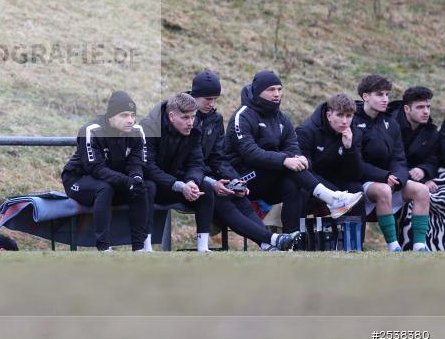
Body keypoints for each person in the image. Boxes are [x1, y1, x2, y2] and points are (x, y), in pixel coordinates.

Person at [226, 70, 362, 234]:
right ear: (258, 91)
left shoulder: (282, 118)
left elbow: (292, 147)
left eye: (279, 89)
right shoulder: (242, 116)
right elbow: (250, 153)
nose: (277, 94)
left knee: (293, 184)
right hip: (242, 178)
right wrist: (284, 160)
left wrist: (301, 159)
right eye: (271, 90)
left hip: (270, 177)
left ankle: (291, 239)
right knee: (287, 168)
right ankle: (332, 199)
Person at [191, 70, 299, 251]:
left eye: (215, 99)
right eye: (207, 99)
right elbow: (185, 162)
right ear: (195, 96)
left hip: (215, 177)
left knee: (241, 198)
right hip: (193, 180)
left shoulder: (215, 119)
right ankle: (272, 239)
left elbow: (219, 158)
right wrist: (212, 182)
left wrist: (233, 179)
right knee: (223, 202)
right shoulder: (182, 118)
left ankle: (267, 245)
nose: (212, 104)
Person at [61, 91, 152, 252]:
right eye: (124, 115)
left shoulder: (137, 131)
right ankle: (104, 247)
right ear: (111, 116)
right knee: (104, 187)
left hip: (112, 181)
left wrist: (136, 178)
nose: (130, 120)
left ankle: (139, 248)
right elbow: (96, 169)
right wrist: (126, 181)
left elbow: (137, 163)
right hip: (78, 180)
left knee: (143, 187)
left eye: (133, 115)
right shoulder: (90, 130)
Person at [354, 75, 431, 251]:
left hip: (389, 181)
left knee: (421, 190)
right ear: (365, 97)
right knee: (383, 189)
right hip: (362, 183)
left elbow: (399, 159)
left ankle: (419, 245)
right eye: (379, 94)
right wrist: (384, 177)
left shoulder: (391, 123)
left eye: (387, 94)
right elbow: (355, 162)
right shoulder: (352, 121)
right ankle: (393, 246)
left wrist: (398, 178)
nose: (385, 99)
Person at [141, 92, 215, 252]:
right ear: (172, 116)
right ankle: (145, 247)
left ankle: (203, 248)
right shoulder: (148, 127)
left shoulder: (193, 129)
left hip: (177, 183)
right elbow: (148, 168)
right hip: (150, 182)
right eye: (185, 118)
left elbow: (197, 163)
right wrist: (179, 185)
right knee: (148, 187)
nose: (190, 123)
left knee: (205, 188)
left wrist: (192, 182)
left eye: (193, 117)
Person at [296, 93, 364, 217]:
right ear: (329, 115)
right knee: (302, 191)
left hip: (335, 179)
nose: (344, 121)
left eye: (349, 116)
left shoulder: (354, 133)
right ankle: (298, 233)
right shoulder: (306, 131)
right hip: (311, 182)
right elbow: (305, 170)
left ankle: (355, 236)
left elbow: (355, 175)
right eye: (340, 115)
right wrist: (336, 193)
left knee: (357, 189)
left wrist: (350, 148)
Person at [391, 86, 441, 249]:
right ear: (407, 108)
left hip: (410, 181)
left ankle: (422, 244)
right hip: (387, 179)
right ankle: (398, 244)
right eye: (420, 107)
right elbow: (385, 158)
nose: (426, 111)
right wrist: (415, 178)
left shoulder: (430, 131)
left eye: (428, 106)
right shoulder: (388, 124)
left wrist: (424, 171)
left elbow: (434, 157)